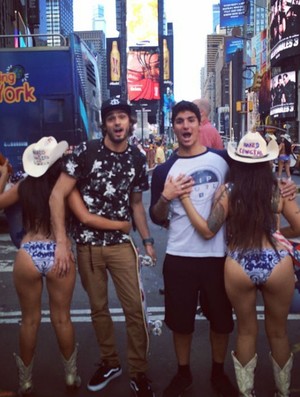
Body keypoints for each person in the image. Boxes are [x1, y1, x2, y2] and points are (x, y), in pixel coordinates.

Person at [49, 96, 157, 397]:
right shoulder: (85, 152)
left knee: (135, 309)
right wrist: (61, 242)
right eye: (112, 118)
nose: (117, 123)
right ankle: (110, 362)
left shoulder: (136, 158)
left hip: (122, 244)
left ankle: (139, 371)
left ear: (130, 122)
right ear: (104, 124)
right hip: (87, 246)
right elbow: (58, 196)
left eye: (122, 117)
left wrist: (147, 240)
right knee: (98, 309)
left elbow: (136, 204)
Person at [178, 131, 299, 396]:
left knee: (246, 331)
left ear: (238, 161)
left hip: (239, 262)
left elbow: (209, 230)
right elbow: (299, 226)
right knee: (278, 332)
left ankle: (247, 393)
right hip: (276, 261)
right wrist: (277, 235)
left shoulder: (228, 191)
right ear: (266, 162)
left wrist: (185, 200)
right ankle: (282, 391)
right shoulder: (277, 189)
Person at [149, 100, 237, 397]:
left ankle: (218, 372)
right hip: (179, 256)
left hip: (217, 257)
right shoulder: (164, 170)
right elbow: (157, 216)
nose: (185, 126)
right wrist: (166, 197)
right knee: (181, 322)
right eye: (179, 121)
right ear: (172, 126)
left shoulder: (223, 160)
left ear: (201, 123)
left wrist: (284, 189)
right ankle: (183, 373)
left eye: (190, 120)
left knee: (222, 321)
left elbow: (256, 175)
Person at [0, 137, 82, 395]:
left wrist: (3, 176)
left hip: (29, 252)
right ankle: (71, 377)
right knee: (62, 318)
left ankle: (25, 382)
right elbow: (83, 214)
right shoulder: (65, 186)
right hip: (59, 253)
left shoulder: (24, 187)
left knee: (29, 321)